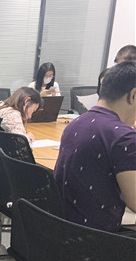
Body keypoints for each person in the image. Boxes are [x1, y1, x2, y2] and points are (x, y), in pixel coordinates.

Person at [54, 61, 136, 233]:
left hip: (62, 231)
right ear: (133, 95)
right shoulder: (123, 137)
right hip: (96, 239)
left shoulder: (75, 123)